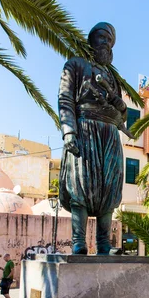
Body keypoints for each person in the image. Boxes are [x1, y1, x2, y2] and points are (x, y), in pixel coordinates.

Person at [58, 22, 134, 255]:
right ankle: (79, 242)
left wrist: (121, 107)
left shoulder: (112, 77)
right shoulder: (76, 65)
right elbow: (65, 99)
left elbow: (122, 112)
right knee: (81, 183)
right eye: (102, 37)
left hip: (110, 132)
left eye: (109, 41)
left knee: (108, 188)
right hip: (85, 127)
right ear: (91, 41)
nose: (105, 43)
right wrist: (69, 131)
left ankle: (104, 244)